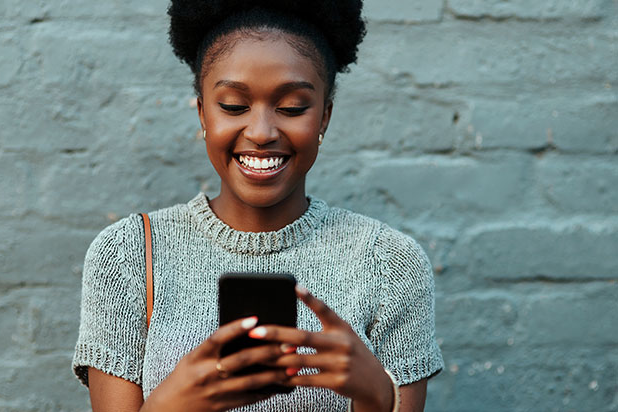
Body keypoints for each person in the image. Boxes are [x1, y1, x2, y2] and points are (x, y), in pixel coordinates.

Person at [72, 1, 444, 411]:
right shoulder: (127, 254)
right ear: (202, 114)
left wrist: (376, 394)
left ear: (324, 117)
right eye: (233, 106)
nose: (262, 132)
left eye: (291, 108)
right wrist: (176, 402)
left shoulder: (390, 263)